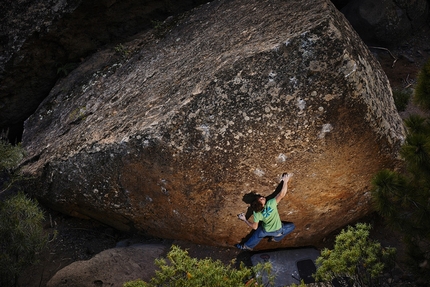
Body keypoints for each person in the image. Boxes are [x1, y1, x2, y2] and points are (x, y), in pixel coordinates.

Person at [235, 173, 295, 250]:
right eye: (261, 199)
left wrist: (245, 220)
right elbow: (282, 194)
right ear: (261, 205)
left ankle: (245, 246)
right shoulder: (270, 204)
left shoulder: (256, 213)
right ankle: (276, 238)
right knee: (292, 226)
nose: (262, 197)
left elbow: (255, 227)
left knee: (257, 234)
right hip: (277, 230)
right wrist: (285, 181)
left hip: (266, 230)